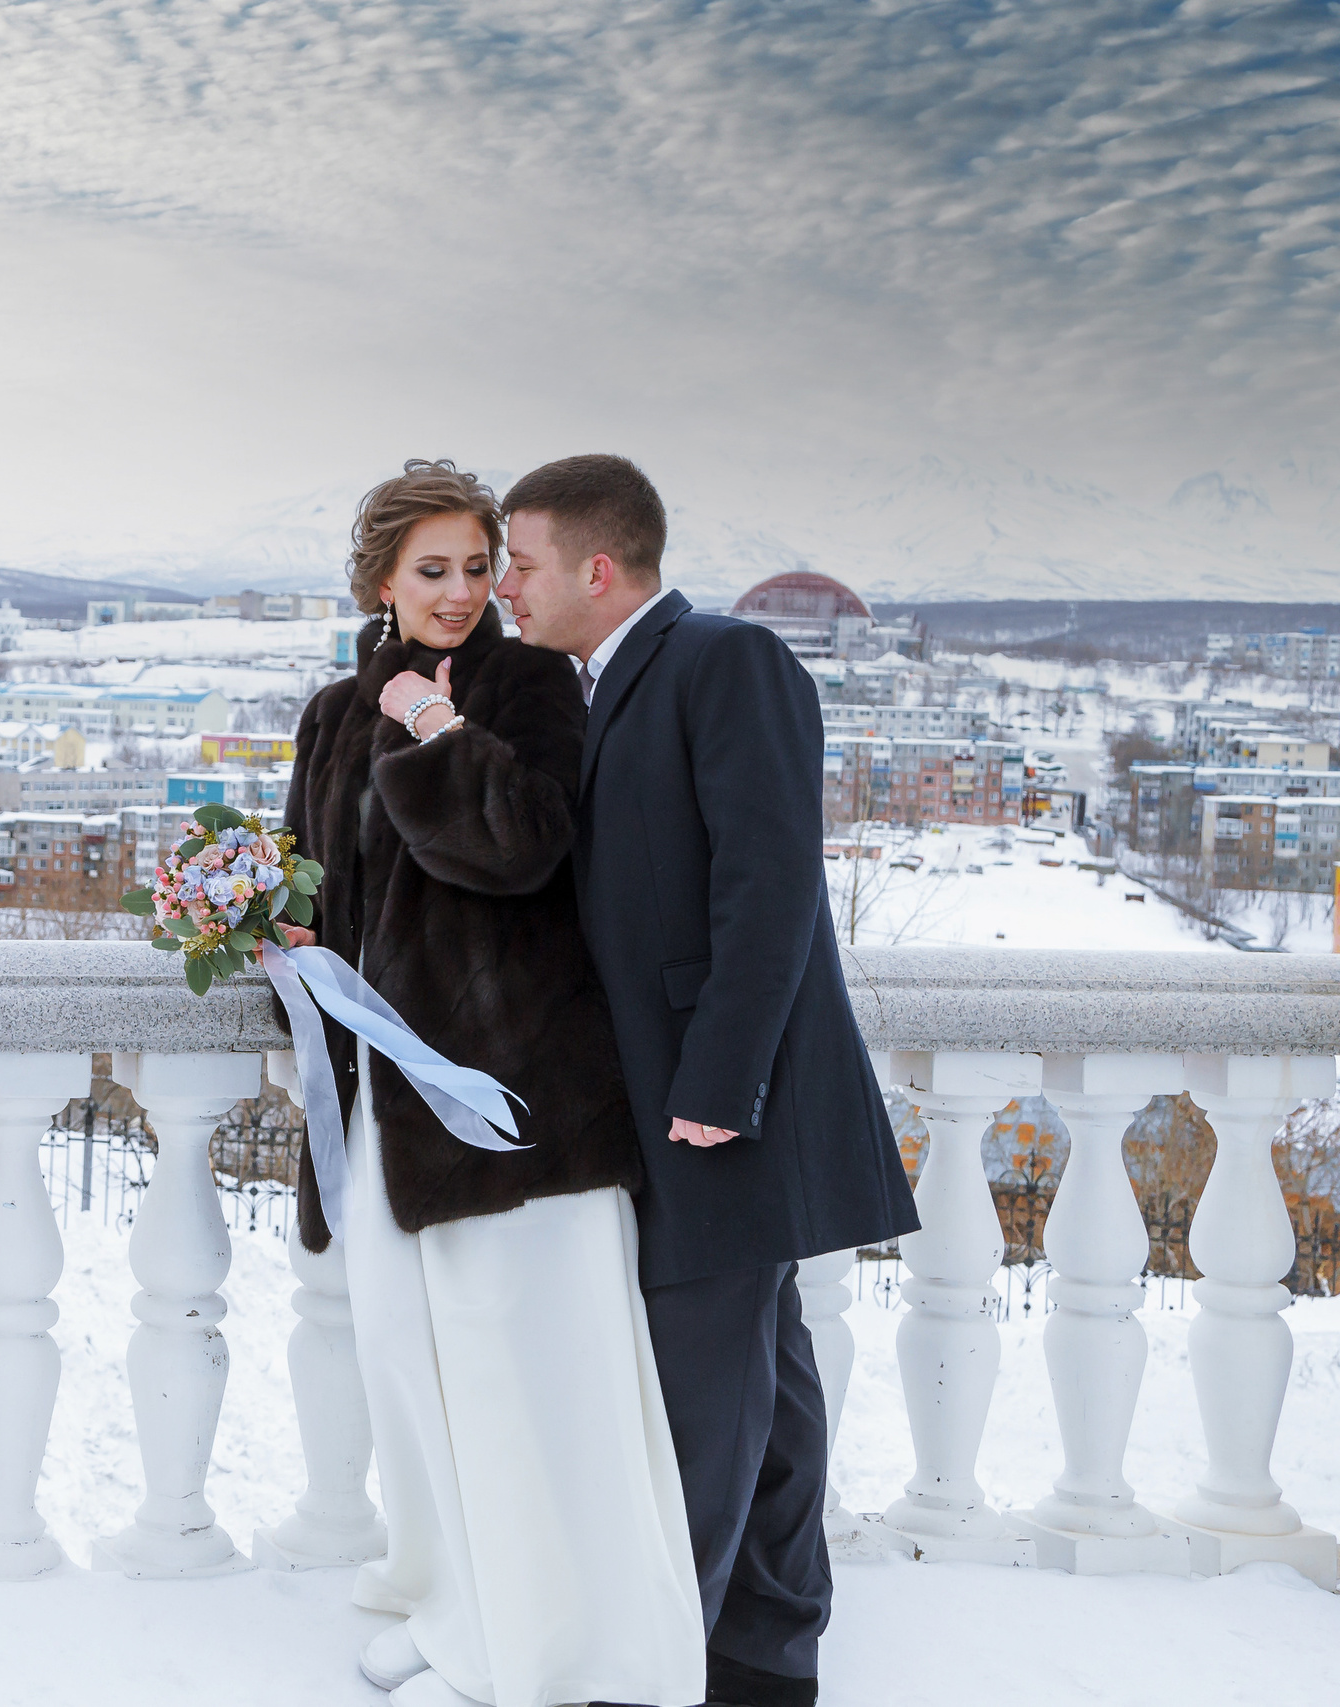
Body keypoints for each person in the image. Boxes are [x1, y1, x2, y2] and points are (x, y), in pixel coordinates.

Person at [268, 458, 705, 1707]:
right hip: (382, 1105)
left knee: (526, 1381)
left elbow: (519, 852)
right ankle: (453, 1592)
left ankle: (551, 1643)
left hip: (513, 1102)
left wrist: (435, 726)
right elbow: (320, 883)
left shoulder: (527, 687)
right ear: (380, 581)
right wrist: (269, 927)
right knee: (414, 1375)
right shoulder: (328, 711)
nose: (465, 594)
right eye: (435, 571)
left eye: (479, 568)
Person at [496, 454, 921, 1707]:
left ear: (598, 568)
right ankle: (769, 1647)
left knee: (704, 1404)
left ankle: (653, 1666)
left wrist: (719, 1088)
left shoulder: (724, 660)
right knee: (769, 1389)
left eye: (519, 564)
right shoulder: (601, 685)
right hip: (672, 1096)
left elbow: (769, 880)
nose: (507, 588)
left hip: (722, 1104)